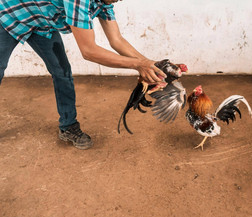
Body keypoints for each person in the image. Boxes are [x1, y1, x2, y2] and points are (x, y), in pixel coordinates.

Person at [0, 0, 166, 149]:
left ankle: (68, 126)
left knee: (62, 72)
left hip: (41, 25)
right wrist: (139, 65)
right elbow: (89, 51)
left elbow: (117, 40)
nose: (118, 0)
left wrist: (151, 66)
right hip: (8, 15)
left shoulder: (105, 2)